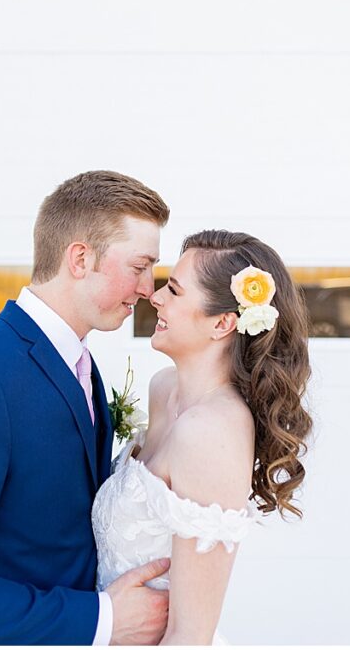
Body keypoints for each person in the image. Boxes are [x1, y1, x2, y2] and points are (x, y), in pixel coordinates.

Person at [0, 170, 173, 644]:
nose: (149, 287)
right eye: (139, 266)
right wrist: (101, 620)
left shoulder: (81, 362)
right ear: (80, 258)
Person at [92, 230, 312, 644]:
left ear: (223, 323)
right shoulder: (163, 389)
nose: (154, 297)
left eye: (174, 290)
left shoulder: (211, 432)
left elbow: (191, 636)